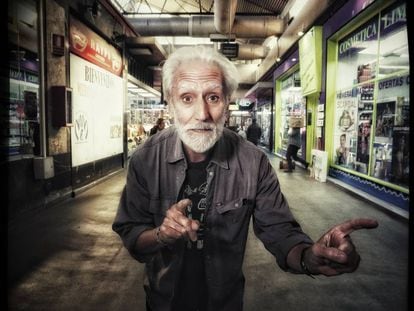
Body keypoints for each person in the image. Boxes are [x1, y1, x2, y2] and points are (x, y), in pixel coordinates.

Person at [112, 45, 378, 311]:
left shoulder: (253, 162)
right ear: (170, 104)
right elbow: (132, 234)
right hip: (162, 302)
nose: (202, 114)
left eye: (213, 98)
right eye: (187, 98)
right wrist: (162, 235)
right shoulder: (146, 159)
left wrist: (310, 257)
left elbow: (281, 232)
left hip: (225, 303)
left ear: (227, 102)